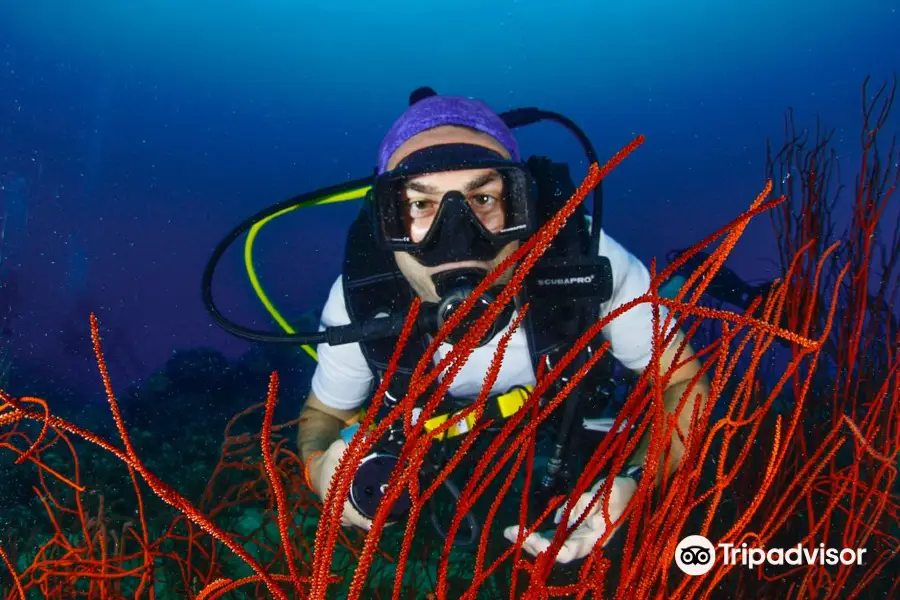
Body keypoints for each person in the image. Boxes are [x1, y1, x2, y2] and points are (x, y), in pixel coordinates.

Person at [295, 90, 710, 568]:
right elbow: (322, 417)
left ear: (523, 205)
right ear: (386, 220)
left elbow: (683, 380)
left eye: (485, 197)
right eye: (420, 205)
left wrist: (635, 477)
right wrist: (318, 471)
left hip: (563, 437)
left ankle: (674, 290)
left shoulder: (588, 262)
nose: (457, 237)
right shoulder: (359, 301)